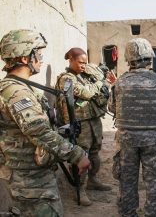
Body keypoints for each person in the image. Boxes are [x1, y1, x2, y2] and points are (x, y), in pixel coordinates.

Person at [0, 29, 90, 216]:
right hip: (29, 182)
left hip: (27, 177)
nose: (40, 59)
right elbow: (38, 131)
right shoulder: (16, 92)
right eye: (38, 54)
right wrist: (77, 155)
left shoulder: (19, 87)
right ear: (25, 58)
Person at [108, 38, 156, 217]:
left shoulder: (120, 82)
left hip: (126, 141)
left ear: (128, 58)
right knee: (154, 183)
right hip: (154, 141)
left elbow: (111, 108)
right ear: (149, 58)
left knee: (127, 183)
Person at [55, 48, 113, 206]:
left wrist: (100, 85)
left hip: (93, 120)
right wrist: (101, 83)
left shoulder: (85, 76)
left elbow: (101, 94)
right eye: (80, 62)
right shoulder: (66, 79)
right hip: (79, 123)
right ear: (71, 60)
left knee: (95, 152)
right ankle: (79, 190)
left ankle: (93, 180)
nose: (83, 66)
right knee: (82, 155)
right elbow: (87, 93)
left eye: (85, 63)